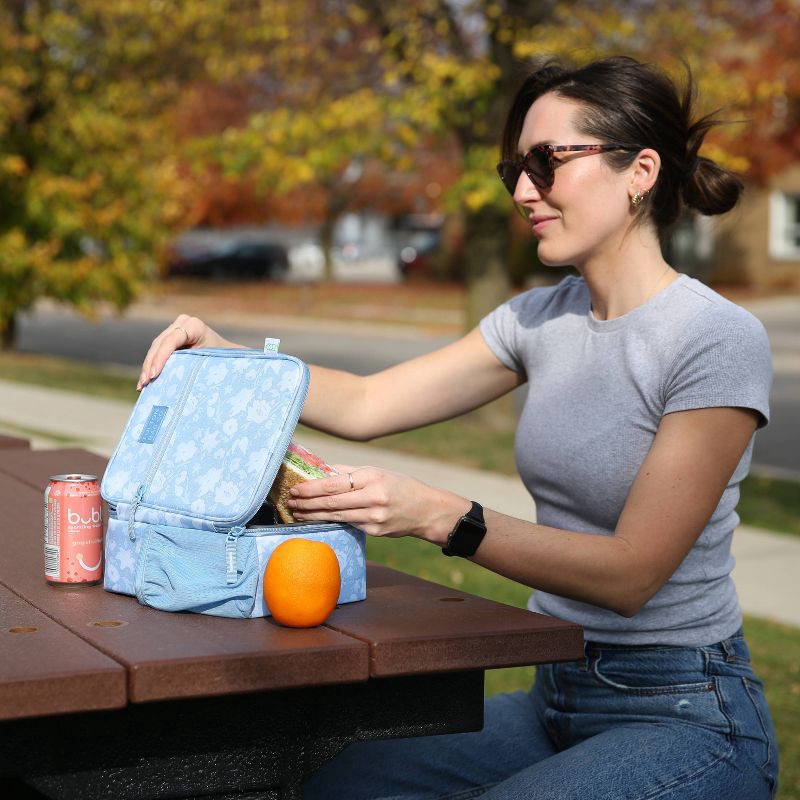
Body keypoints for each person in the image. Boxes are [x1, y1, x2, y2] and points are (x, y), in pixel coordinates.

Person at [139, 56, 778, 799]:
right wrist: (232, 359)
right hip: (556, 694)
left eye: (547, 162)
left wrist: (442, 517)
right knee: (341, 784)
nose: (522, 191)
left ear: (640, 170)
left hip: (686, 711)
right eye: (515, 168)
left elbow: (632, 574)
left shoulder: (713, 338)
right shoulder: (539, 318)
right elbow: (370, 404)